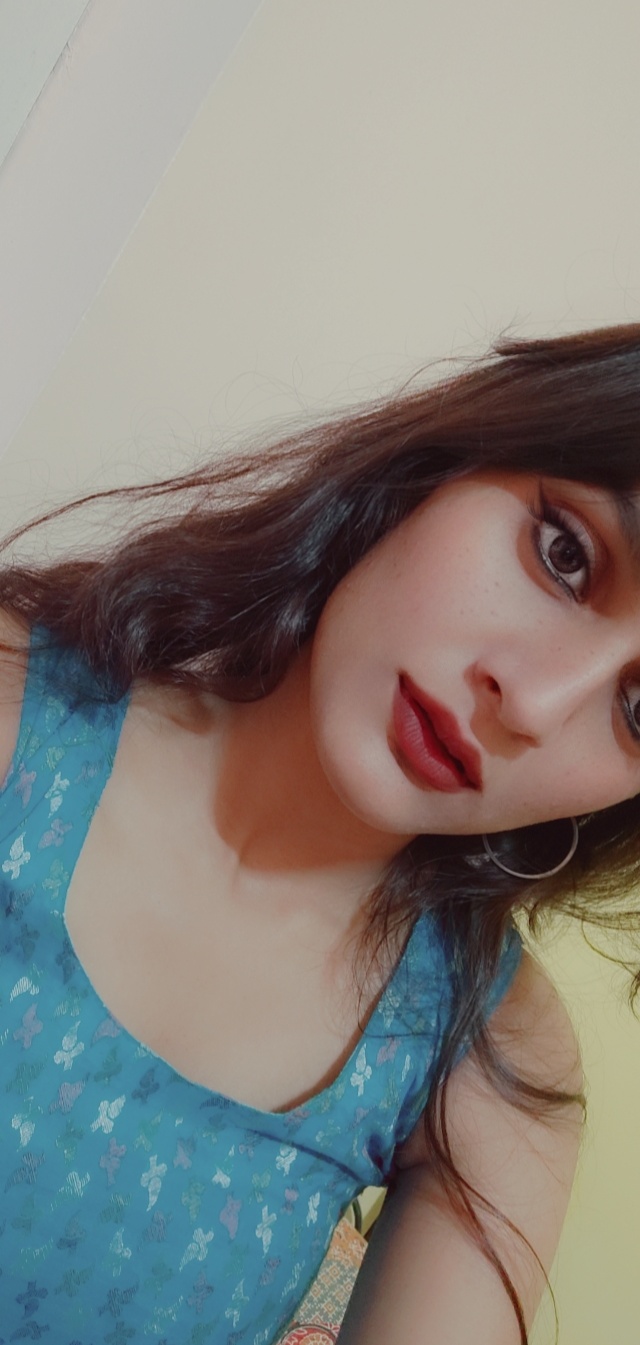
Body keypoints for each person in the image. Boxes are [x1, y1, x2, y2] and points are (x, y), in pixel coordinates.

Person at [0, 321, 639, 1345]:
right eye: (565, 554)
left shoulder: (487, 1057)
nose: (533, 702)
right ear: (442, 466)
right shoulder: (14, 714)